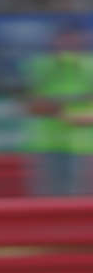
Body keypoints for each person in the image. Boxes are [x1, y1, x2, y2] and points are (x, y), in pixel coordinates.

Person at [22, 24, 93, 197]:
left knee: (80, 199)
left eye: (73, 41)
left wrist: (81, 117)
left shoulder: (90, 66)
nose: (67, 45)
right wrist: (62, 111)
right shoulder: (39, 66)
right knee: (46, 198)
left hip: (82, 145)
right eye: (63, 40)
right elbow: (28, 105)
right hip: (47, 144)